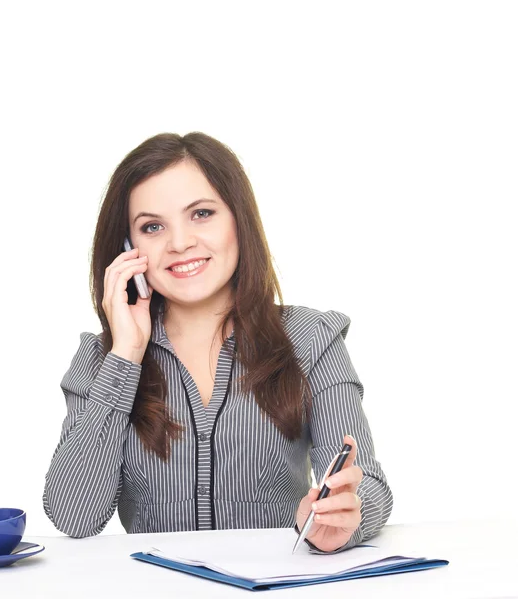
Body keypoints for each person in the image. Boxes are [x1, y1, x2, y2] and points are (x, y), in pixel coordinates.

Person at [43, 132, 393, 554]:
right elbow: (73, 516)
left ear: (238, 220)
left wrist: (344, 515)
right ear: (129, 249)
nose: (179, 243)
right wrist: (127, 353)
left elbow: (368, 486)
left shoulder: (312, 339)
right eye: (152, 227)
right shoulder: (102, 359)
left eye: (202, 214)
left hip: (275, 584)